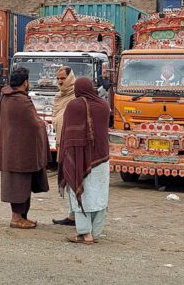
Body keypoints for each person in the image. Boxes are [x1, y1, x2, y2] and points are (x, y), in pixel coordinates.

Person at [0, 67, 50, 229]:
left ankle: (22, 217)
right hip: (20, 152)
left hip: (12, 149)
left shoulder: (6, 97)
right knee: (19, 185)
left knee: (22, 184)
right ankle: (17, 218)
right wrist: (43, 124)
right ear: (25, 83)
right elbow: (34, 123)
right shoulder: (21, 100)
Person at [58, 77, 111, 245]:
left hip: (80, 160)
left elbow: (68, 134)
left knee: (80, 193)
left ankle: (84, 233)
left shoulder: (74, 106)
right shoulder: (104, 105)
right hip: (102, 160)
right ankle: (95, 232)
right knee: (99, 196)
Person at [52, 66, 77, 226]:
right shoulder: (59, 97)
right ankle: (72, 215)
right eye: (58, 78)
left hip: (73, 145)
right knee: (68, 180)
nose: (60, 81)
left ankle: (77, 216)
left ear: (70, 78)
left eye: (63, 78)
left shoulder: (77, 96)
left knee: (75, 179)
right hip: (62, 143)